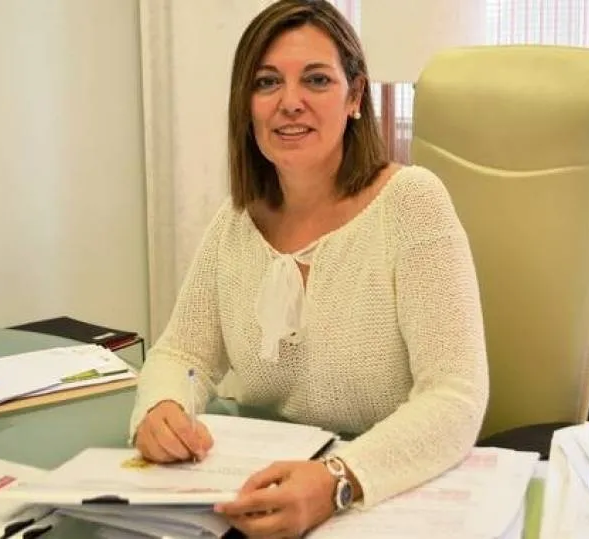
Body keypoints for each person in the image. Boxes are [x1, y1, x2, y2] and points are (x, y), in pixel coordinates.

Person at [129, 0, 489, 536]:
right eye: (267, 82)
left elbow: (456, 397)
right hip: (263, 491)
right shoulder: (236, 221)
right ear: (246, 104)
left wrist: (337, 480)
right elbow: (183, 354)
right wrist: (162, 406)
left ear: (355, 96)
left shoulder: (411, 202)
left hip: (381, 497)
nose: (290, 102)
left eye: (317, 80)